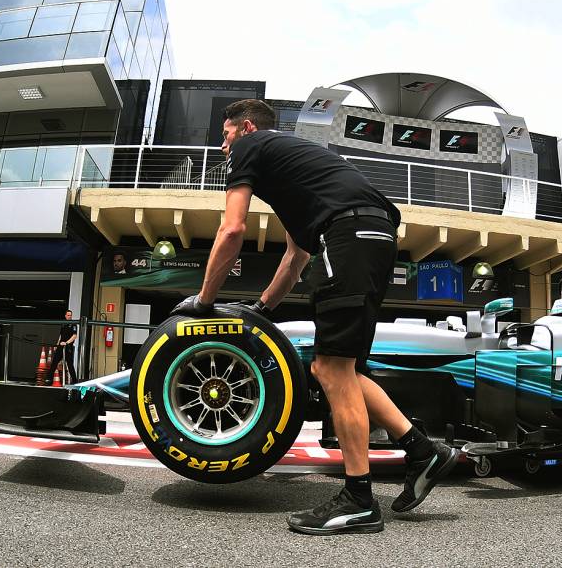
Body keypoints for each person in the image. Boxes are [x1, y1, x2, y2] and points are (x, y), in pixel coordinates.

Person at [171, 99, 458, 535]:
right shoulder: (296, 168)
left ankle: (360, 500)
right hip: (374, 237)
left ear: (245, 127)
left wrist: (203, 300)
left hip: (347, 237)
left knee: (329, 368)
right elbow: (295, 257)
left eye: (226, 135)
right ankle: (422, 451)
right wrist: (262, 309)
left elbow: (231, 229)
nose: (223, 145)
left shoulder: (253, 147)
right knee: (346, 368)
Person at [42, 309, 79, 385]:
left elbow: (74, 336)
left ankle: (75, 381)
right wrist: (57, 344)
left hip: (68, 347)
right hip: (60, 346)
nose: (69, 316)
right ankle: (49, 379)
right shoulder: (63, 324)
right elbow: (61, 335)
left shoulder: (73, 324)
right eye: (68, 315)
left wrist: (66, 343)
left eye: (70, 315)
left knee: (70, 364)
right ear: (65, 316)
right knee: (54, 362)